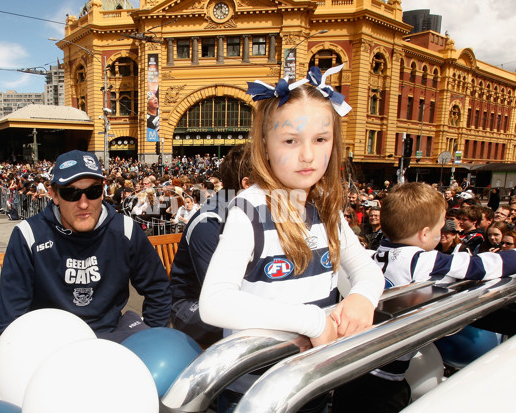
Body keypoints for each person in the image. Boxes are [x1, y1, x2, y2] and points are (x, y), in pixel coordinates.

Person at [199, 66, 384, 412]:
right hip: (254, 392)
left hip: (311, 383)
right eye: (290, 141)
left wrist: (362, 297)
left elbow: (367, 270)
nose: (308, 156)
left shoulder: (326, 206)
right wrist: (312, 321)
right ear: (265, 145)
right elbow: (214, 303)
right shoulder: (250, 209)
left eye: (320, 139)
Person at [336, 182, 516, 413]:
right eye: (440, 229)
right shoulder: (420, 261)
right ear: (424, 234)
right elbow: (482, 266)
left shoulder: (373, 255)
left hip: (353, 367)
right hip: (384, 375)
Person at [0, 150, 171, 342]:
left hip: (111, 338)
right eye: (71, 193)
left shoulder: (125, 230)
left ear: (102, 191)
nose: (84, 204)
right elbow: (11, 318)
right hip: (52, 343)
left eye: (93, 191)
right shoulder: (28, 235)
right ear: (54, 195)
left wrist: (152, 339)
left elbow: (158, 289)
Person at [169, 144, 251, 347]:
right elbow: (220, 294)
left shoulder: (251, 212)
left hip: (228, 298)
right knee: (249, 329)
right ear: (247, 185)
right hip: (192, 305)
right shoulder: (209, 222)